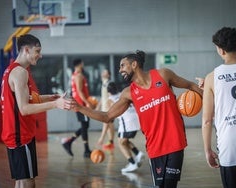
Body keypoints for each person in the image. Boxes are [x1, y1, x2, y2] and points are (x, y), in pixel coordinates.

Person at [71, 50, 203, 188]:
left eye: (122, 65)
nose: (120, 69)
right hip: (155, 147)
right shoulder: (128, 93)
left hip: (175, 142)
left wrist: (214, 101)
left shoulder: (163, 75)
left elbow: (190, 85)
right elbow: (107, 116)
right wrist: (79, 107)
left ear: (134, 64)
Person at [0, 34, 72, 188]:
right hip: (20, 135)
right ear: (26, 50)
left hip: (15, 134)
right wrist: (56, 105)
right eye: (37, 51)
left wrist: (52, 98)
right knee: (28, 181)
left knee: (21, 180)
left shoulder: (11, 70)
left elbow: (28, 99)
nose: (40, 55)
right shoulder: (20, 73)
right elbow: (24, 109)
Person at [202, 27, 236, 188]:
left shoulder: (212, 78)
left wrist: (207, 150)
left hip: (230, 143)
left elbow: (206, 120)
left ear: (220, 50)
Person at [107, 81, 145, 173]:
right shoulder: (123, 94)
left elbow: (110, 115)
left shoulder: (109, 100)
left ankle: (132, 163)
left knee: (120, 143)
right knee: (124, 141)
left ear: (108, 92)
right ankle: (138, 153)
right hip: (136, 117)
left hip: (127, 121)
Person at [61, 59, 93, 158]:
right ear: (80, 64)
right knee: (84, 126)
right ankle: (86, 150)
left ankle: (69, 143)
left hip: (79, 103)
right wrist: (88, 103)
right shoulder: (78, 76)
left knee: (85, 126)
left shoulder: (75, 75)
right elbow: (80, 91)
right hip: (81, 104)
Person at [96, 69, 115, 150]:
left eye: (105, 72)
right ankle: (111, 142)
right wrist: (98, 106)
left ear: (109, 75)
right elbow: (103, 97)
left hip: (108, 108)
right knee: (110, 126)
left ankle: (101, 139)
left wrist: (111, 107)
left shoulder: (109, 83)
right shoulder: (103, 83)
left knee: (106, 123)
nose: (103, 73)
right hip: (104, 107)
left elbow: (111, 97)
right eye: (102, 72)